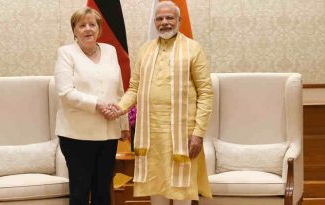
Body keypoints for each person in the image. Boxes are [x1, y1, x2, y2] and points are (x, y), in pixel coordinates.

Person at [104, 1, 213, 205]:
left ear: (179, 21)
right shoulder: (146, 49)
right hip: (151, 134)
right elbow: (134, 88)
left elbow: (205, 93)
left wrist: (198, 133)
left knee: (182, 192)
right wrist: (119, 108)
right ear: (155, 22)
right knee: (156, 191)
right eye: (160, 19)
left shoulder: (193, 49)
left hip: (183, 135)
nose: (164, 22)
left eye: (169, 18)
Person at [54, 7, 130, 205]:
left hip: (109, 133)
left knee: (103, 191)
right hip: (76, 135)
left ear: (99, 29)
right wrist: (98, 104)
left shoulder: (111, 51)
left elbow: (119, 91)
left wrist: (123, 124)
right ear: (75, 31)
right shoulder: (66, 53)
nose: (88, 29)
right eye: (82, 25)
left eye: (92, 24)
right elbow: (65, 93)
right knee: (80, 192)